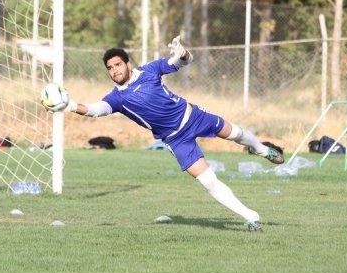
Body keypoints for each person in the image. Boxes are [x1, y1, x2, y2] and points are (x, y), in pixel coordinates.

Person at [63, 36, 284, 232]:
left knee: (236, 133)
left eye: (118, 65)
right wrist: (69, 104)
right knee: (208, 181)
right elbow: (94, 110)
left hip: (194, 117)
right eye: (110, 68)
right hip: (176, 139)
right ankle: (250, 217)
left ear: (127, 63)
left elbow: (183, 61)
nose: (115, 71)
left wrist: (182, 52)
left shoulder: (149, 70)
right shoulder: (117, 98)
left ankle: (262, 149)